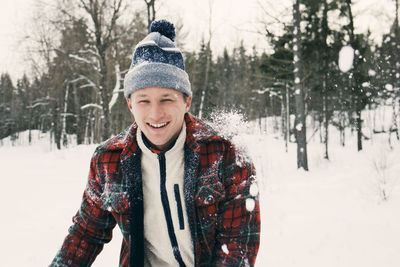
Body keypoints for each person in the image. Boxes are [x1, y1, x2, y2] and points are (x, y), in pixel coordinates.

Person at [51, 19, 260, 267]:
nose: (155, 114)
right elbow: (86, 234)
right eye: (144, 101)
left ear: (187, 101)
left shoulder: (225, 154)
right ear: (130, 104)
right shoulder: (108, 160)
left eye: (166, 99)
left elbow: (238, 244)